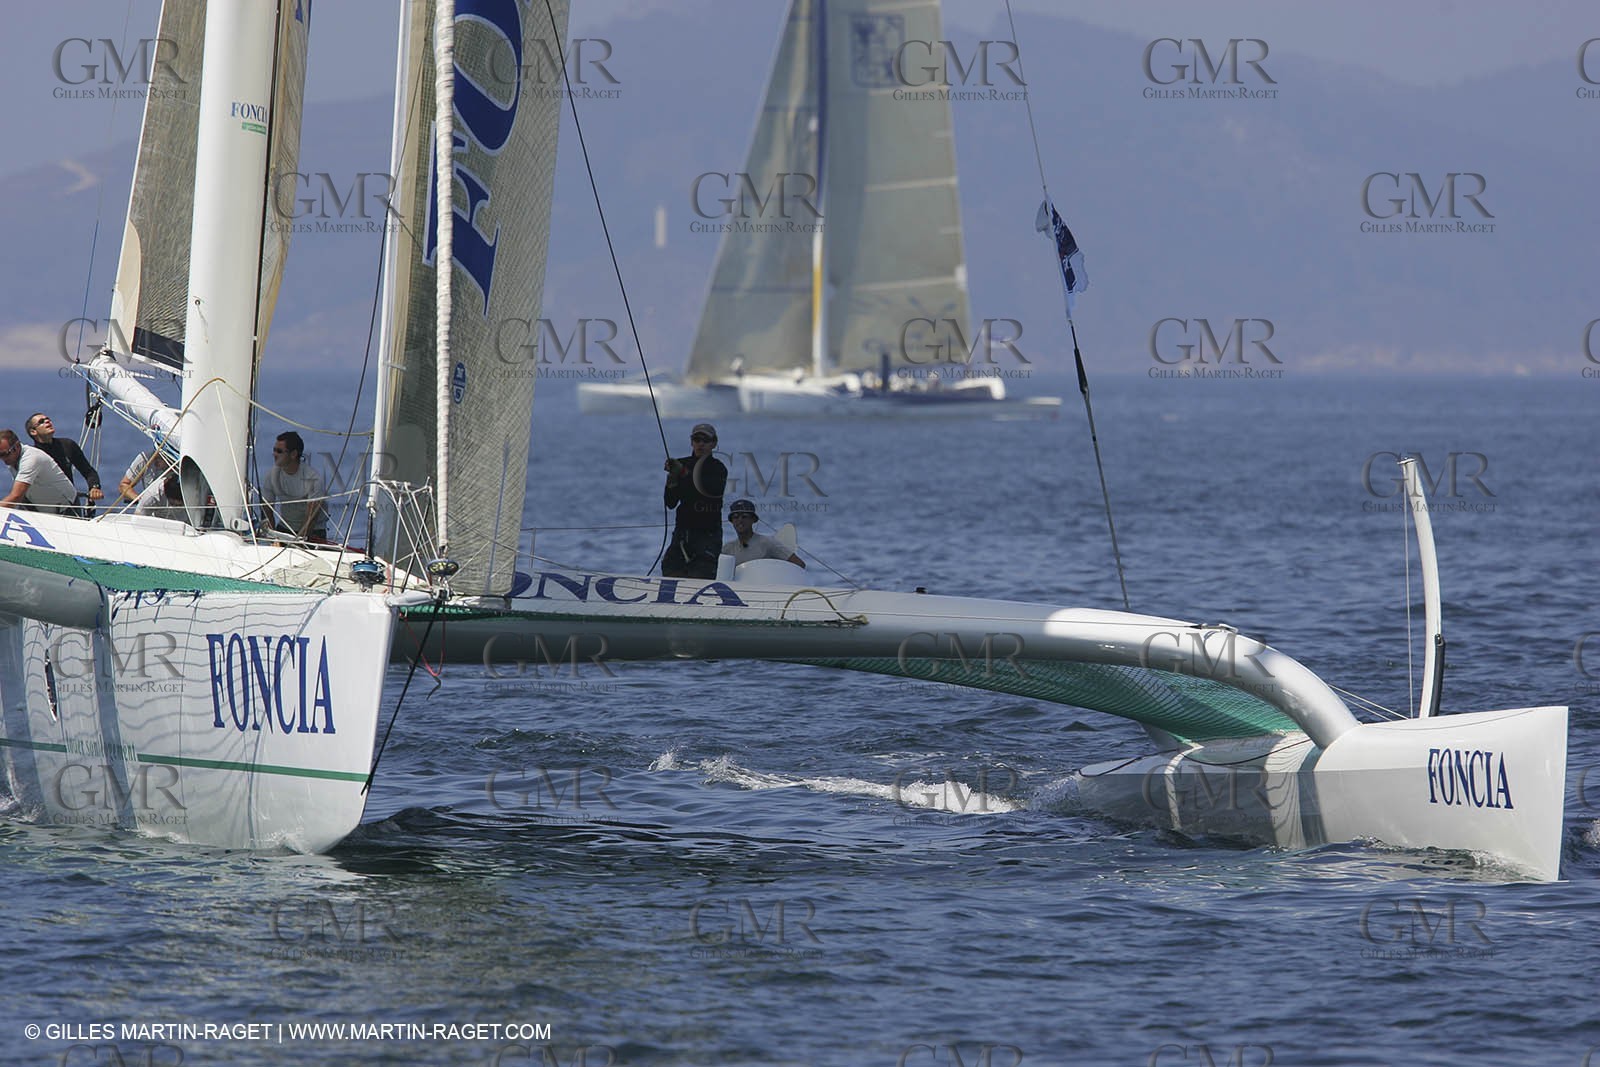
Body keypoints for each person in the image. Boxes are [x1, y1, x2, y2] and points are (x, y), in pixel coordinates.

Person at [661, 423, 726, 578]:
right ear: (691, 442)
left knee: (701, 577)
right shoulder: (680, 464)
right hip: (682, 533)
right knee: (670, 571)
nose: (701, 444)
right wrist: (672, 481)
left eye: (705, 440)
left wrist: (683, 473)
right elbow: (670, 503)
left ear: (714, 443)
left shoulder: (718, 468)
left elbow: (708, 490)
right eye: (697, 439)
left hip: (707, 536)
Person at [25, 412, 102, 508]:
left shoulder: (67, 445)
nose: (47, 421)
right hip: (41, 507)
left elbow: (88, 471)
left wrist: (94, 487)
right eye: (41, 421)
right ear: (33, 432)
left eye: (48, 419)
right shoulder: (31, 455)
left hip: (68, 503)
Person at [261, 431, 326, 541]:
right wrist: (273, 538)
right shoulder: (270, 476)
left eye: (279, 451)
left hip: (313, 532)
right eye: (274, 450)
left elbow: (311, 518)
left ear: (293, 454)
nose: (275, 454)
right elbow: (267, 510)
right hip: (284, 530)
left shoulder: (313, 479)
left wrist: (298, 542)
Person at [0, 429, 79, 513]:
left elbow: (16, 496)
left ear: (17, 446)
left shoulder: (31, 459)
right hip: (40, 510)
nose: (2, 459)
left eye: (4, 454)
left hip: (66, 509)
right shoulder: (12, 460)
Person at [722, 498, 804, 567]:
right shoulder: (727, 549)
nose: (740, 520)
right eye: (736, 517)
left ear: (753, 520)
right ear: (731, 521)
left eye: (744, 516)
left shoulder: (768, 543)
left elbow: (799, 564)